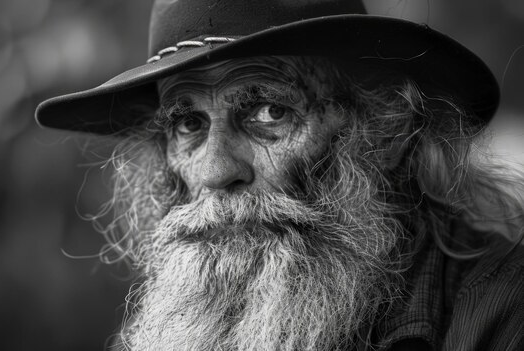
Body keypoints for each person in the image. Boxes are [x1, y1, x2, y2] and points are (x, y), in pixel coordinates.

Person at [35, 0, 524, 350]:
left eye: (270, 112)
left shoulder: (504, 315)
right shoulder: (178, 328)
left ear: (387, 131)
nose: (214, 171)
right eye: (188, 124)